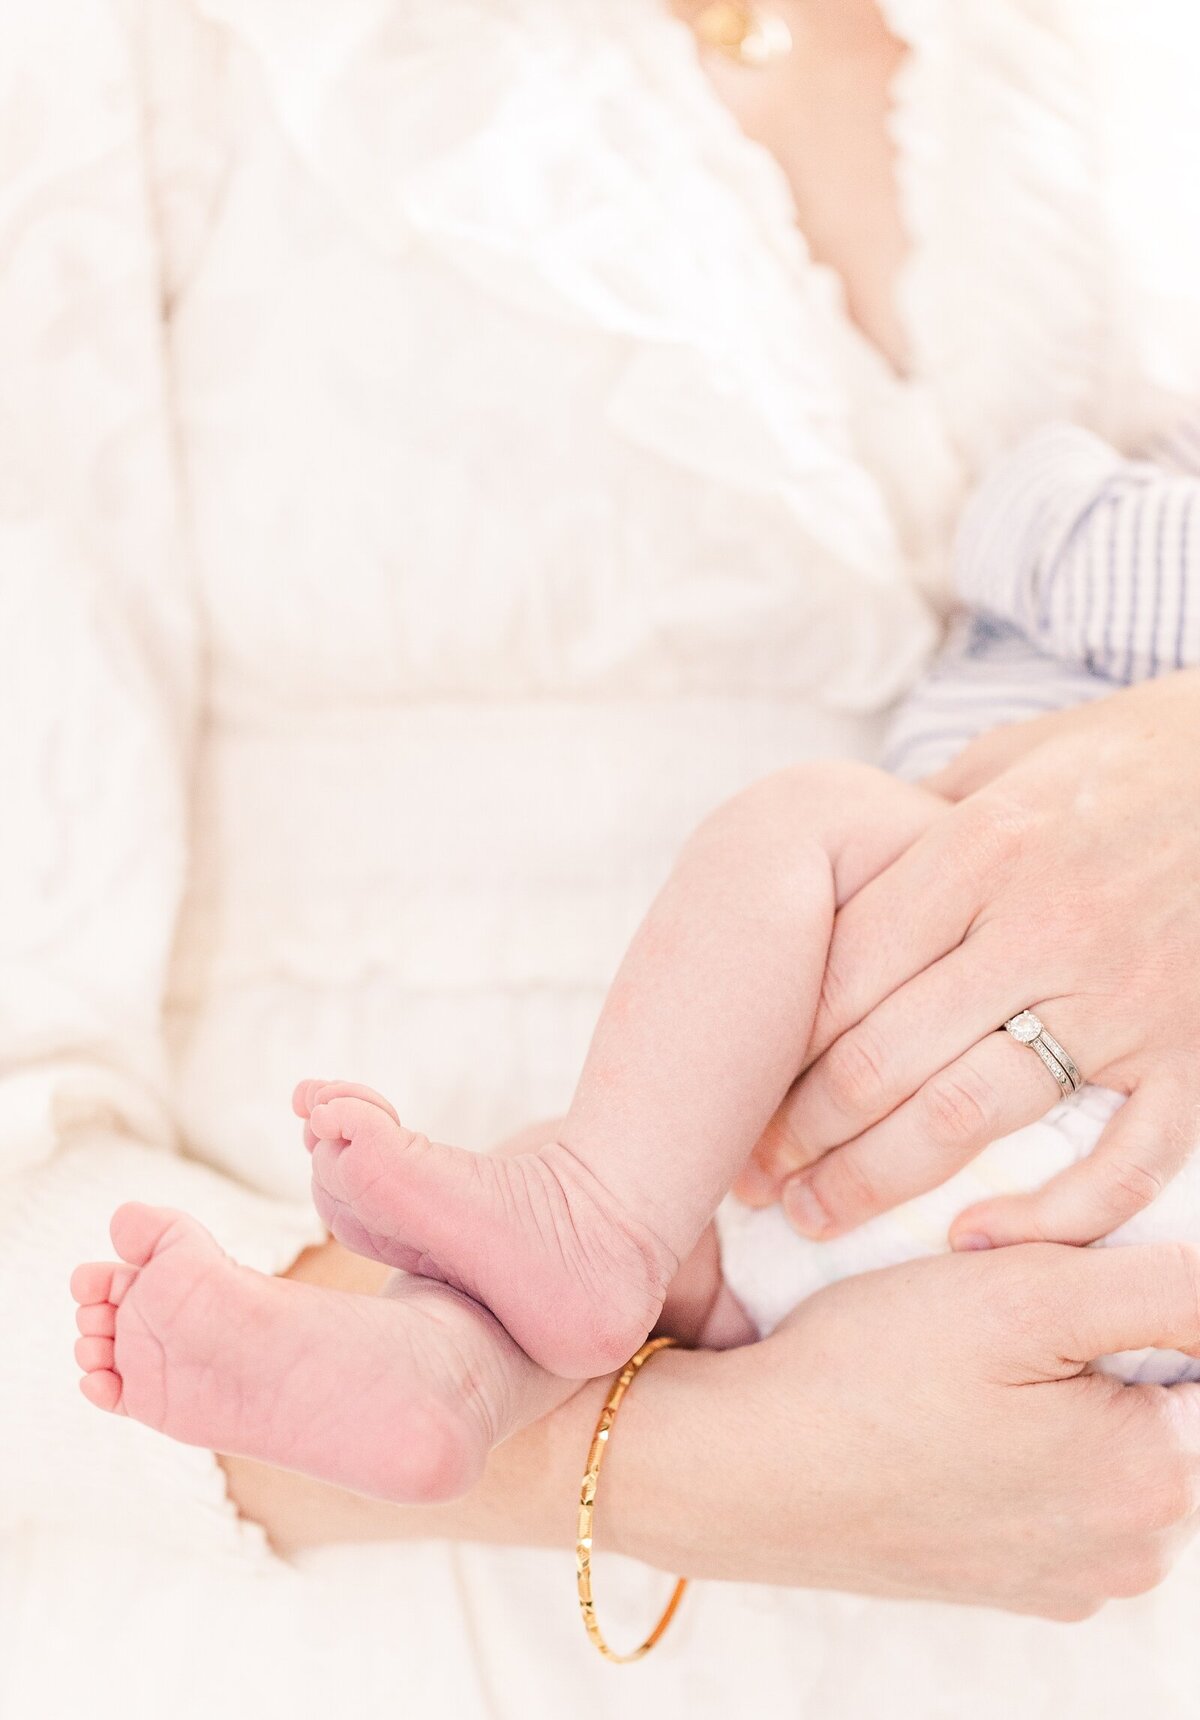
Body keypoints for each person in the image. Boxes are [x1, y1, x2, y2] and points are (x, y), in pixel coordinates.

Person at [8, 3, 1200, 1720]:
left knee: (792, 867)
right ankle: (474, 1340)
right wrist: (689, 1465)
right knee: (732, 1106)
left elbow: (1036, 533)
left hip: (1111, 1570)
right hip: (437, 1676)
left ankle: (559, 1244)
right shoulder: (125, 58)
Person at [69, 409, 1200, 1494]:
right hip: (1114, 1308)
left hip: (960, 1074)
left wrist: (1067, 466)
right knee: (637, 1234)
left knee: (809, 834)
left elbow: (1043, 527)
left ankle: (590, 1216)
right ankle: (444, 1375)